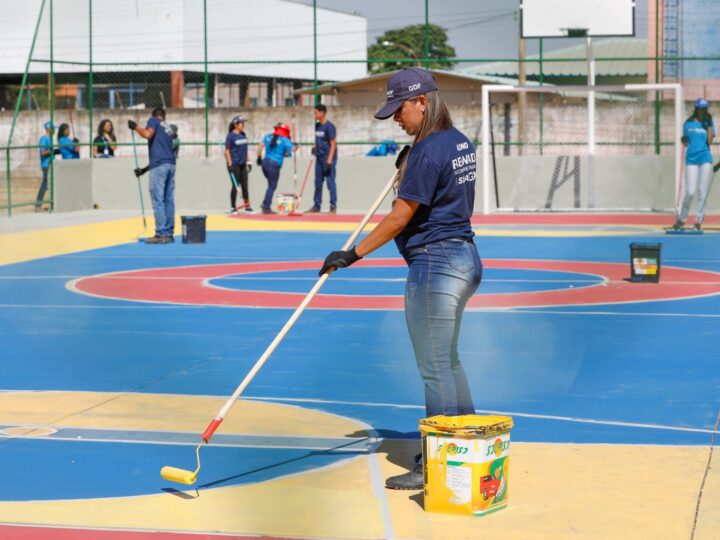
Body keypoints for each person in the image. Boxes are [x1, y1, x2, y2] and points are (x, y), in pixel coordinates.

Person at [319, 68, 482, 490]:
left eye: (400, 109)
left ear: (422, 102)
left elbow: (399, 217)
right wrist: (409, 163)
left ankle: (439, 462)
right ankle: (463, 444)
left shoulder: (427, 151)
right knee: (447, 362)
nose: (396, 118)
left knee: (434, 369)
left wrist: (351, 254)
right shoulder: (457, 141)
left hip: (436, 263)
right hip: (464, 258)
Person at [128, 107, 177, 244]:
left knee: (158, 200)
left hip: (160, 167)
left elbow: (148, 134)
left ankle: (160, 233)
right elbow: (163, 153)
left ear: (155, 115)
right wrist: (144, 170)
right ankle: (169, 233)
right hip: (171, 165)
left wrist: (136, 127)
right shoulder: (167, 129)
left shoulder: (153, 120)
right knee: (169, 200)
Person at [673, 98, 715, 231]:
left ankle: (698, 220)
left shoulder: (709, 122)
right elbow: (685, 139)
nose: (703, 111)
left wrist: (708, 126)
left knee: (702, 191)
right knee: (690, 192)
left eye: (705, 108)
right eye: (701, 108)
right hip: (691, 160)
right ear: (696, 109)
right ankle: (681, 219)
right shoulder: (688, 123)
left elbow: (709, 142)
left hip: (705, 159)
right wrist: (683, 139)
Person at [256, 123, 297, 214]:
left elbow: (260, 146)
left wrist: (258, 157)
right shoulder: (285, 140)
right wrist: (296, 147)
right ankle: (266, 206)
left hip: (265, 163)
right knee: (272, 186)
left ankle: (266, 203)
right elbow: (292, 150)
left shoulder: (268, 136)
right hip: (274, 165)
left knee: (270, 185)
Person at [306, 104, 338, 213]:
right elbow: (319, 140)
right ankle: (316, 205)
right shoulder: (317, 126)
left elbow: (333, 144)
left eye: (316, 113)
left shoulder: (329, 127)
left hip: (327, 158)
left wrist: (329, 161)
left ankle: (333, 206)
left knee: (330, 182)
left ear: (322, 113)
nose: (314, 115)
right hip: (319, 158)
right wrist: (315, 147)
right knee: (318, 183)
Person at [225, 116, 253, 213]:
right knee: (236, 186)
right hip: (235, 164)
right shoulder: (231, 136)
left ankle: (247, 206)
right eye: (241, 123)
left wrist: (249, 161)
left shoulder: (243, 134)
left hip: (243, 164)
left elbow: (245, 150)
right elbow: (227, 151)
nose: (243, 125)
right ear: (236, 124)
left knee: (245, 186)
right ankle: (233, 207)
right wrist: (230, 164)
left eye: (243, 123)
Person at [35, 120, 57, 211]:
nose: (54, 130)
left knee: (50, 184)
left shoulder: (49, 139)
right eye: (53, 128)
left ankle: (52, 204)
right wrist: (53, 151)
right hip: (46, 164)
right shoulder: (44, 139)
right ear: (48, 129)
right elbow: (43, 152)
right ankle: (38, 205)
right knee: (45, 184)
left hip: (50, 163)